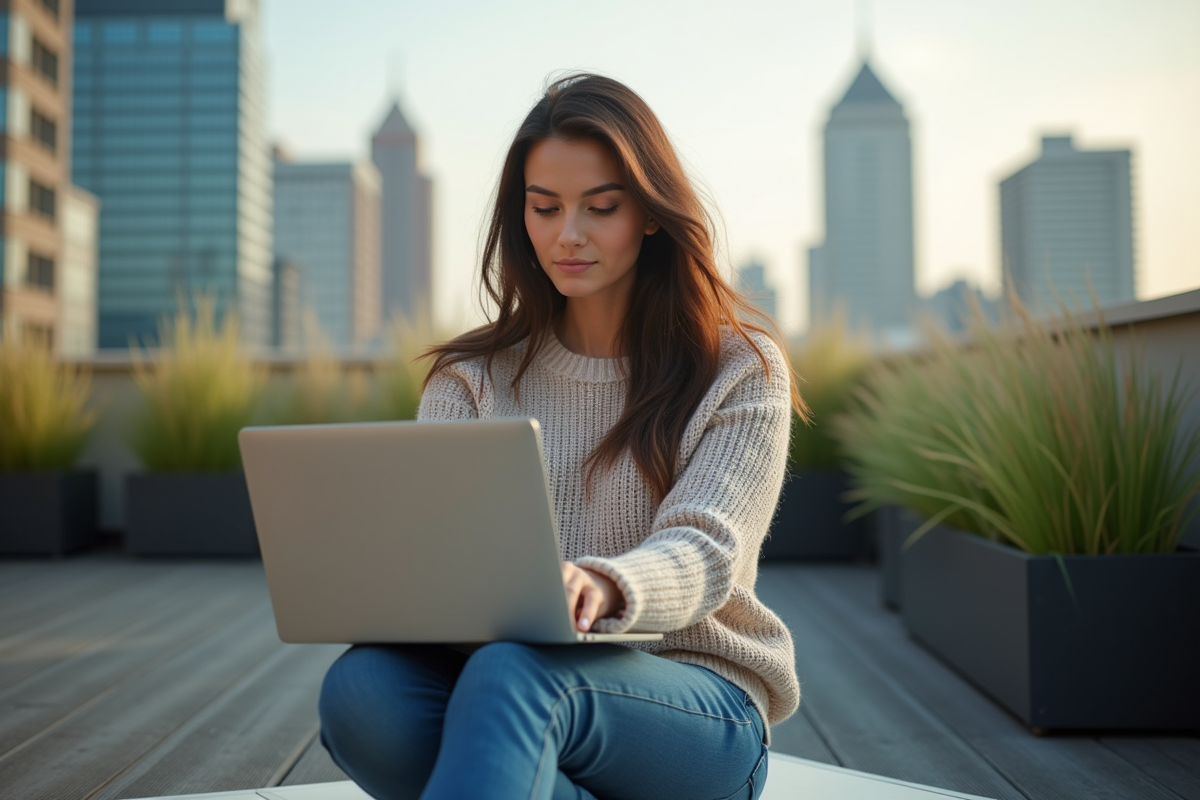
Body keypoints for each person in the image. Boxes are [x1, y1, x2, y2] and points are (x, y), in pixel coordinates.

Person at [318, 73, 807, 800]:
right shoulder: (469, 378)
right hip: (501, 684)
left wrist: (602, 586)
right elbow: (438, 554)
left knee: (518, 673)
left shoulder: (739, 368)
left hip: (697, 705)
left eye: (600, 207)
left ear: (650, 212)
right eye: (544, 208)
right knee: (361, 689)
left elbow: (707, 550)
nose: (567, 234)